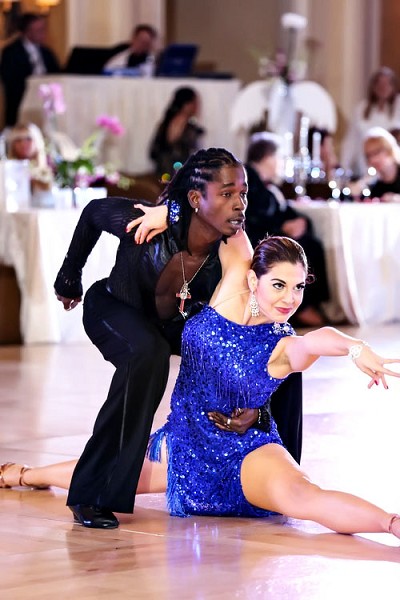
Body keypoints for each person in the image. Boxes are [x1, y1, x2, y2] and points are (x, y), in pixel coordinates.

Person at [2, 235, 400, 541]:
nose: (289, 299)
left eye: (298, 288)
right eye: (279, 285)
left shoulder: (281, 346)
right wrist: (167, 211)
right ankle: (26, 475)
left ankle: (391, 523)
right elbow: (224, 217)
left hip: (247, 456)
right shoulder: (232, 286)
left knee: (305, 497)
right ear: (253, 278)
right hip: (181, 447)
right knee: (103, 475)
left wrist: (355, 347)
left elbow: (317, 340)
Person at [52, 147, 293, 531]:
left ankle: (281, 474)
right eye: (227, 194)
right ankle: (92, 494)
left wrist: (258, 406)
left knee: (284, 351)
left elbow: (254, 328)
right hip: (114, 308)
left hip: (174, 324)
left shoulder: (232, 246)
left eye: (243, 193)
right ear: (197, 198)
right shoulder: (146, 222)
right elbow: (94, 212)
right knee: (147, 355)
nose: (239, 204)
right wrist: (69, 276)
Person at [244, 132, 330, 327]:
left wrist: (301, 222)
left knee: (311, 244)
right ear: (268, 157)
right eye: (280, 157)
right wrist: (282, 227)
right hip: (256, 239)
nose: (283, 163)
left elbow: (285, 212)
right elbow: (252, 218)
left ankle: (309, 305)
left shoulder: (267, 185)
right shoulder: (248, 181)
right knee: (306, 248)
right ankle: (304, 307)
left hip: (271, 234)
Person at [0, 12, 61, 127]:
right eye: (39, 30)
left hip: (44, 102)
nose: (43, 33)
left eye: (44, 29)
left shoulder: (47, 52)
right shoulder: (11, 52)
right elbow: (9, 79)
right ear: (27, 32)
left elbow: (57, 73)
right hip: (21, 100)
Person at [341, 67, 400, 178]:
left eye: (387, 83)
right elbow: (351, 141)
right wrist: (344, 167)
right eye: (380, 83)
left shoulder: (398, 106)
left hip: (392, 170)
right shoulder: (361, 109)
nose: (383, 87)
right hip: (365, 167)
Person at [149, 87, 205, 179]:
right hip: (178, 177)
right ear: (187, 104)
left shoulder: (165, 123)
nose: (198, 107)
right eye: (196, 103)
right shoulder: (187, 126)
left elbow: (154, 152)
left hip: (163, 173)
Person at [361, 127, 400, 202]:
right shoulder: (375, 185)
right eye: (369, 155)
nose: (373, 159)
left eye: (376, 152)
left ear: (389, 149)